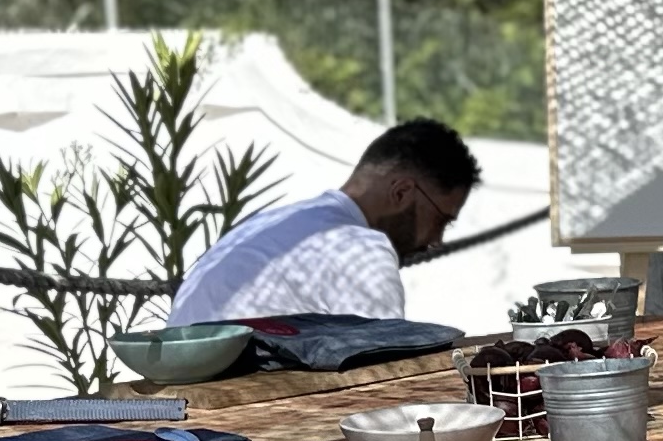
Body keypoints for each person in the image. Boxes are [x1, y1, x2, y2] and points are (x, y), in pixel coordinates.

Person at [165, 119, 479, 322]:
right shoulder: (360, 248)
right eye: (441, 219)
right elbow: (386, 378)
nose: (437, 240)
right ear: (402, 192)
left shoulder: (268, 226)